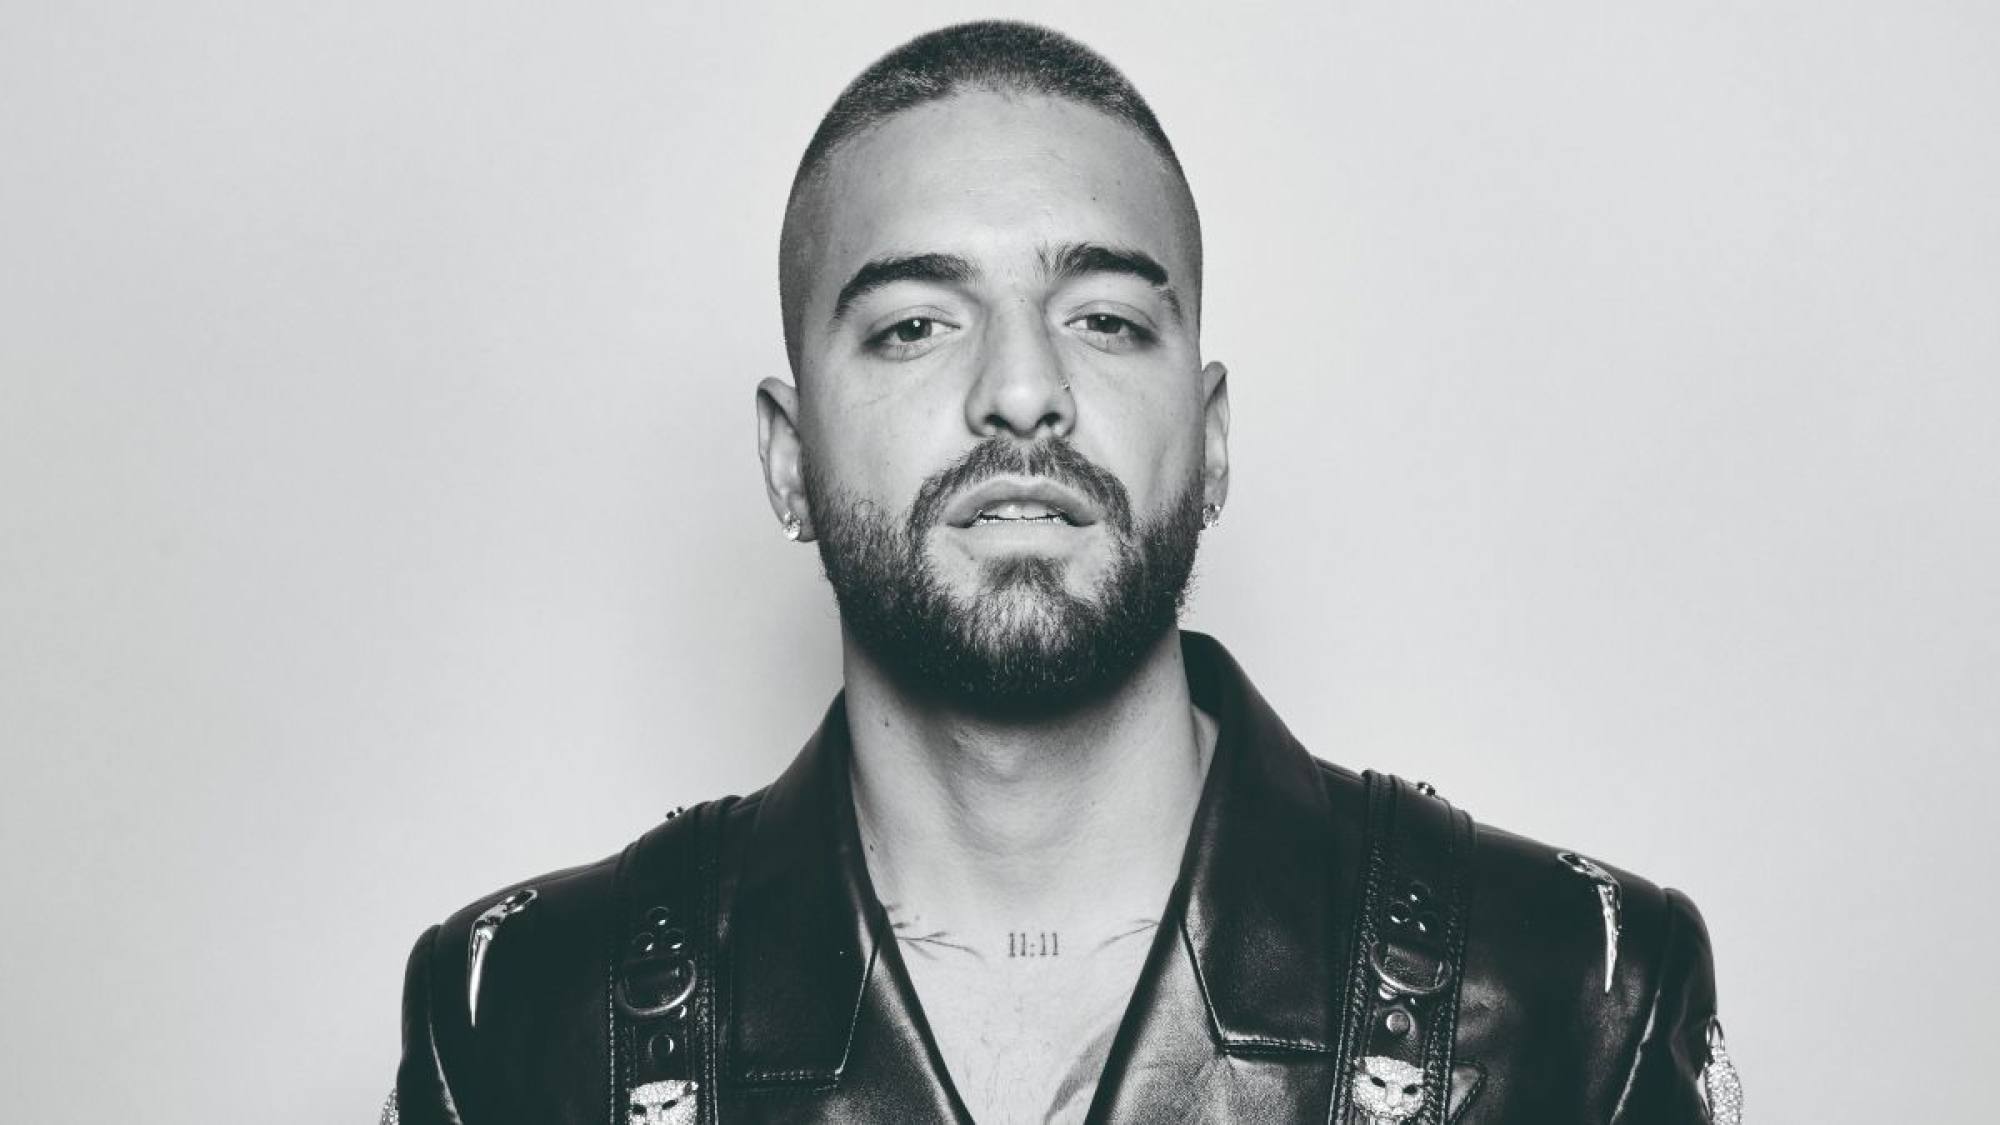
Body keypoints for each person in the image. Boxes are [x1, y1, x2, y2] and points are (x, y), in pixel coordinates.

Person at [388, 21, 1739, 1125]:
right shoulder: (519, 1023)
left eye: (1104, 318)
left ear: (1210, 439)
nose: (1024, 388)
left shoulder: (1576, 1001)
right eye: (914, 325)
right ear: (789, 459)